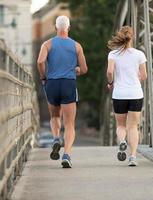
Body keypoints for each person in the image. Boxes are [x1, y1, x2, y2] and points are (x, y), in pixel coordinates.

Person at [37, 15, 88, 168]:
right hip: (68, 84)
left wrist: (43, 77)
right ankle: (66, 155)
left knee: (54, 116)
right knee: (70, 124)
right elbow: (84, 69)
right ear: (69, 28)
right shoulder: (76, 46)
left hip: (52, 84)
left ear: (55, 28)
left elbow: (40, 61)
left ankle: (55, 138)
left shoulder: (47, 44)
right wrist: (77, 70)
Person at [106, 26, 147, 166]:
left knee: (121, 125)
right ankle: (133, 157)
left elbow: (110, 71)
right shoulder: (139, 54)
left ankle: (122, 141)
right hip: (135, 93)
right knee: (133, 127)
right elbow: (144, 75)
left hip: (119, 94)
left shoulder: (113, 54)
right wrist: (135, 80)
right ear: (132, 37)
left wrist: (111, 83)